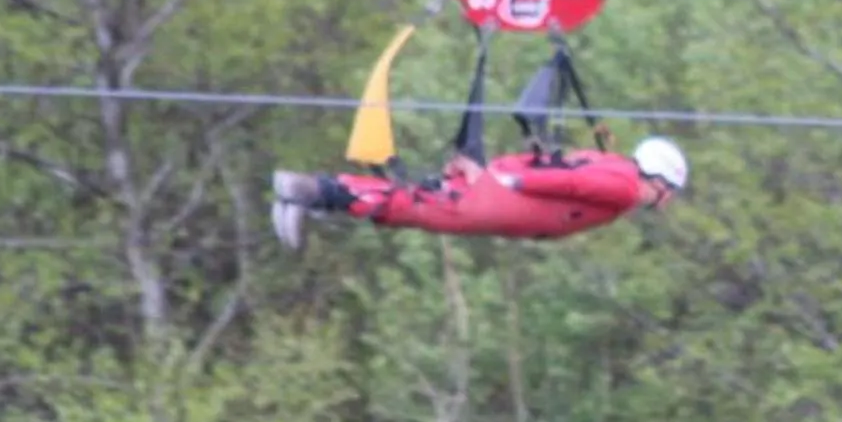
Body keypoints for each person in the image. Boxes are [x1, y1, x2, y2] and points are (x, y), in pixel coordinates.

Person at [270, 137, 688, 250]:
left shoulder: (608, 161)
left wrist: (492, 172)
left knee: (412, 199)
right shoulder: (625, 187)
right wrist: (508, 182)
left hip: (500, 195)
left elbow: (548, 165)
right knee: (407, 207)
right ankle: (304, 191)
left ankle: (313, 195)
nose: (665, 201)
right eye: (669, 191)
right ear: (660, 180)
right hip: (499, 203)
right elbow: (569, 182)